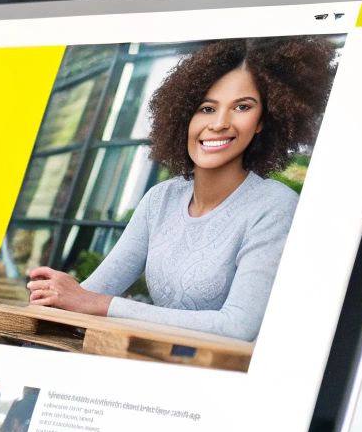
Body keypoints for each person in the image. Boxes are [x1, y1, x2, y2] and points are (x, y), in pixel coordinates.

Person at [25, 37, 336, 341]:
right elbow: (90, 295)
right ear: (184, 114)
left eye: (242, 107)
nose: (219, 123)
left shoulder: (274, 205)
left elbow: (239, 327)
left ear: (262, 121)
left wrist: (105, 306)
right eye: (206, 108)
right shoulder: (160, 200)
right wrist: (55, 292)